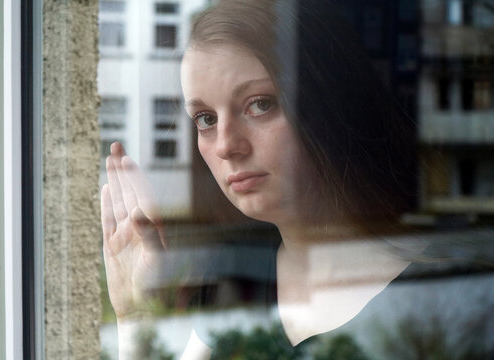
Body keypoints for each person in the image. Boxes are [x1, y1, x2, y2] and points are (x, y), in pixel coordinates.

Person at [101, 0, 491, 359]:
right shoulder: (230, 286)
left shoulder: (451, 294)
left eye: (260, 104)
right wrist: (137, 316)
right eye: (206, 118)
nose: (226, 145)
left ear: (329, 102)